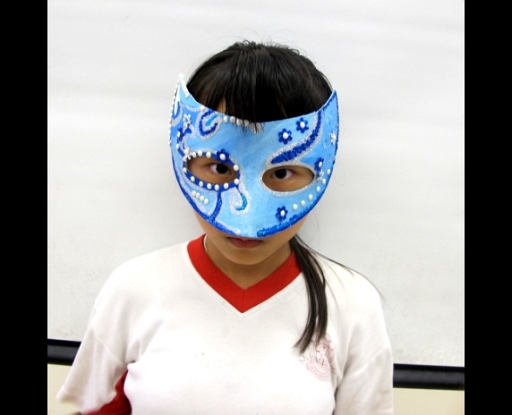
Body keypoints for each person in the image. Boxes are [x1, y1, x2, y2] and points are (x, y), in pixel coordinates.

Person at [57, 41, 394, 415]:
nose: (246, 219)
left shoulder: (351, 305)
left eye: (282, 172)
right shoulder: (132, 290)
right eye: (220, 167)